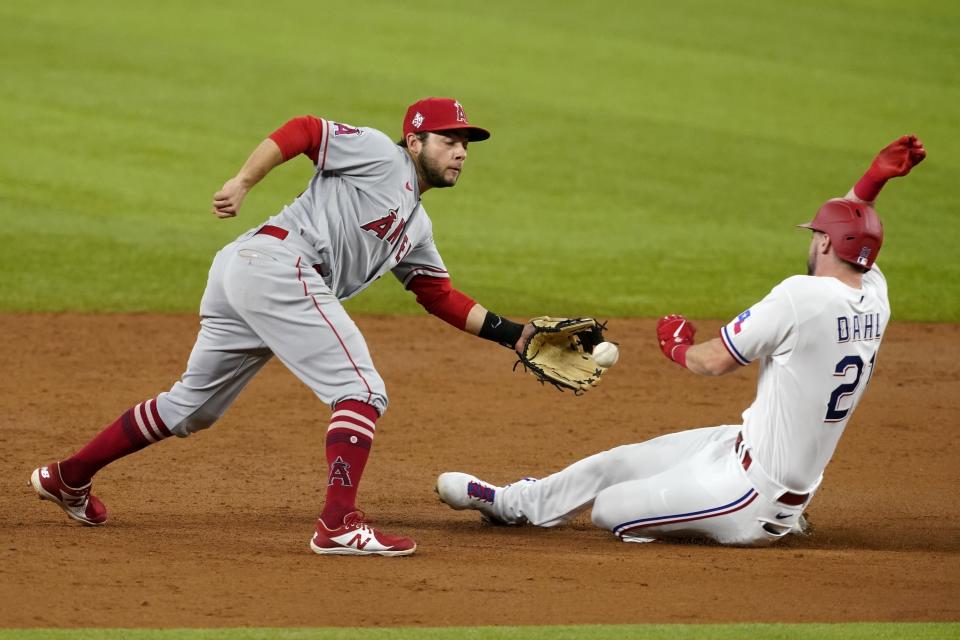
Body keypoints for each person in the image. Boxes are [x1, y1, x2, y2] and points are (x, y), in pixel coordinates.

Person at [31, 97, 538, 557]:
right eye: (449, 140)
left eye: (465, 144)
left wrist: (512, 333)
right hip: (278, 265)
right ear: (414, 140)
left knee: (192, 408)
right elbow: (306, 130)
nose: (461, 152)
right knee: (360, 389)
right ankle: (339, 523)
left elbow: (437, 294)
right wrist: (243, 182)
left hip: (247, 271)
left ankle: (68, 476)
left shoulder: (417, 225)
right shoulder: (381, 156)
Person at [436, 134, 926, 546]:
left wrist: (676, 344)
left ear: (821, 242)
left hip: (753, 497)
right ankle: (512, 504)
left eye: (815, 234)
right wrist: (872, 182)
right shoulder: (875, 294)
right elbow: (855, 232)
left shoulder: (801, 297)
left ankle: (694, 515)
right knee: (619, 461)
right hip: (742, 449)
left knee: (610, 509)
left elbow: (712, 362)